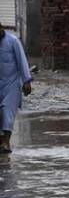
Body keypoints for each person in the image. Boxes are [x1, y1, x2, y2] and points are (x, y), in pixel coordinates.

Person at [0, 24, 33, 154]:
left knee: (7, 112)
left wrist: (26, 81)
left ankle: (6, 142)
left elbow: (22, 61)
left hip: (12, 83)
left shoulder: (13, 41)